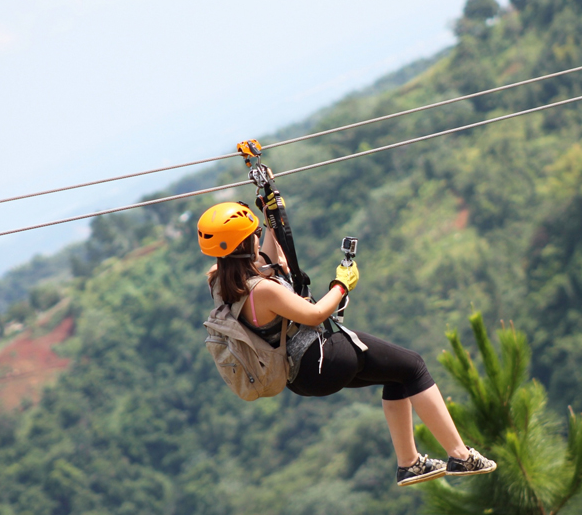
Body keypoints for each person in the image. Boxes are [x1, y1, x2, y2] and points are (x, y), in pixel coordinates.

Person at [198, 201, 496, 486]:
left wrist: (271, 212)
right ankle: (461, 456)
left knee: (397, 373)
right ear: (243, 244)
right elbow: (315, 315)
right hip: (323, 359)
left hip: (299, 377)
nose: (258, 239)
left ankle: (410, 463)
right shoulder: (261, 291)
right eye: (255, 236)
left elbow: (272, 259)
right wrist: (341, 284)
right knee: (414, 366)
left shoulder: (220, 285)